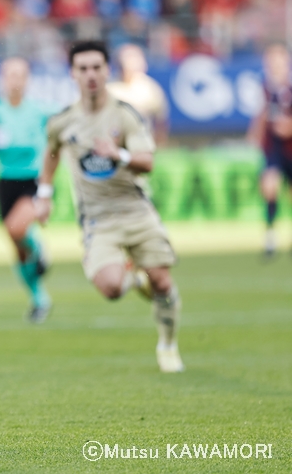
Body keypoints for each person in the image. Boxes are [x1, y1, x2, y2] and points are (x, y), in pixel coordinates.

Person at [34, 40, 183, 373]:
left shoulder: (124, 113)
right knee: (112, 288)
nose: (90, 75)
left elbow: (148, 161)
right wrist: (43, 193)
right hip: (98, 219)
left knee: (161, 282)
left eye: (96, 67)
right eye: (83, 68)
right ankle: (133, 278)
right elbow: (51, 153)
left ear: (107, 71)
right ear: (73, 73)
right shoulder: (62, 121)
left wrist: (120, 155)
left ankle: (168, 345)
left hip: (135, 209)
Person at [0, 57, 55, 323]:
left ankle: (39, 248)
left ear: (27, 80)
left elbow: (53, 149)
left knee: (17, 229)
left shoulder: (39, 112)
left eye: (20, 75)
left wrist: (48, 188)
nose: (15, 81)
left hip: (32, 181)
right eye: (10, 75)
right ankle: (39, 298)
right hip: (4, 183)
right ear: (2, 78)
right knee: (18, 249)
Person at [247, 44, 292, 257]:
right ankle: (271, 238)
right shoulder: (265, 87)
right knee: (270, 187)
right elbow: (262, 114)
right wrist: (255, 133)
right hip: (273, 148)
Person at [107, 43, 169, 146]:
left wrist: (159, 143)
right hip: (115, 144)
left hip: (142, 143)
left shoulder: (149, 88)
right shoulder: (110, 88)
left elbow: (161, 118)